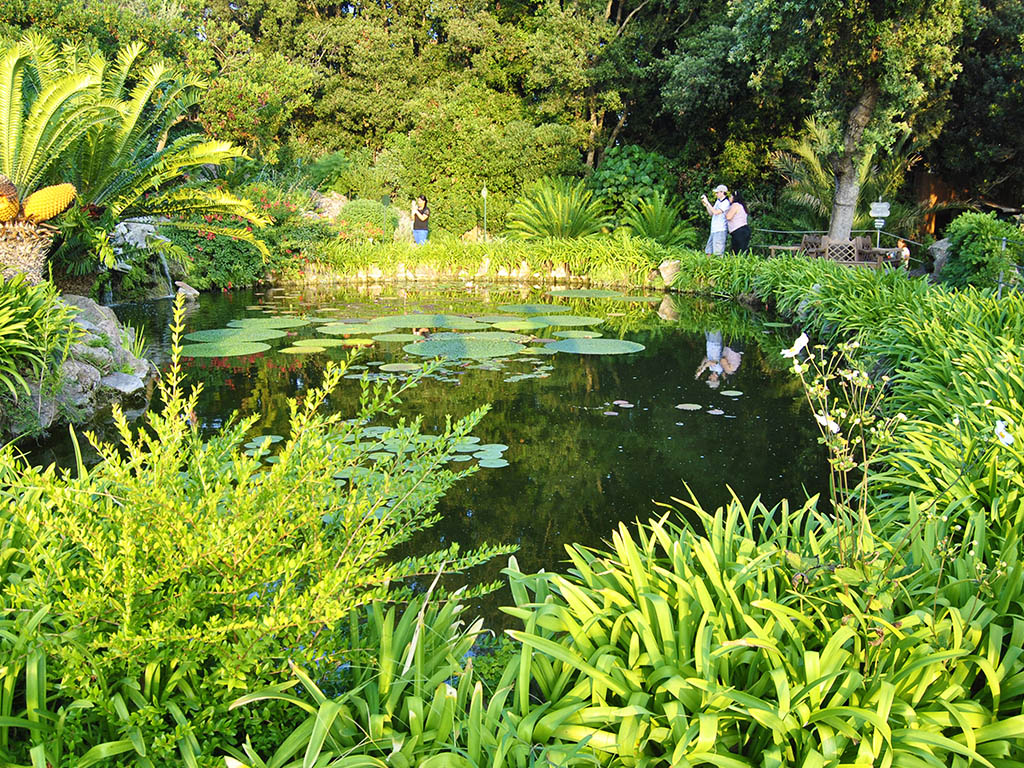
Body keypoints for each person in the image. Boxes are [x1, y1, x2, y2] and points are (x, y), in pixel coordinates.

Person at [700, 184, 730, 255]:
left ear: (722, 192)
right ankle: (708, 265)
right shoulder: (718, 201)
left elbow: (716, 212)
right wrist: (706, 205)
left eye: (717, 192)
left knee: (718, 253)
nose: (716, 194)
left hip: (720, 230)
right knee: (708, 251)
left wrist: (708, 202)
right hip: (713, 230)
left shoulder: (726, 203)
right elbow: (711, 213)